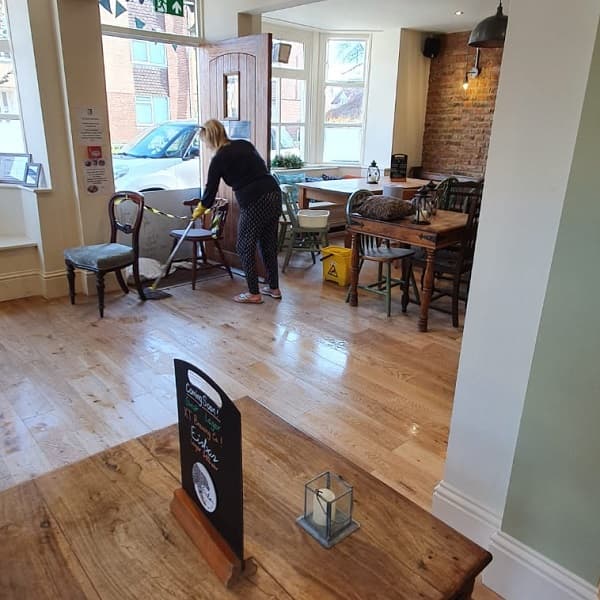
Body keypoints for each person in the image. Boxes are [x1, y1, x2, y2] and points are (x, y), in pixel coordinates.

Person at [195, 119, 282, 304]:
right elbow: (260, 168)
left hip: (254, 200)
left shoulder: (218, 158)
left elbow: (211, 190)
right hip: (273, 192)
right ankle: (273, 288)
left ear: (209, 139)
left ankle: (254, 293)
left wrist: (202, 207)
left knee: (244, 245)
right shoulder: (244, 144)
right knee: (268, 243)